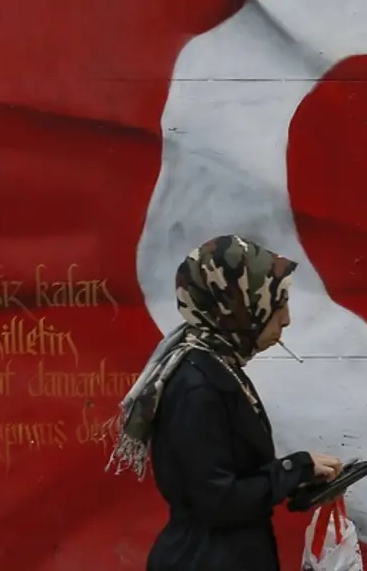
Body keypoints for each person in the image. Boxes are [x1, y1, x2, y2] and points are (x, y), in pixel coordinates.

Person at [106, 234, 343, 571]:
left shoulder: (218, 368)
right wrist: (291, 469)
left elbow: (234, 475)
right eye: (277, 303)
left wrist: (298, 477)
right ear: (240, 306)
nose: (286, 318)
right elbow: (217, 501)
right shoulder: (196, 386)